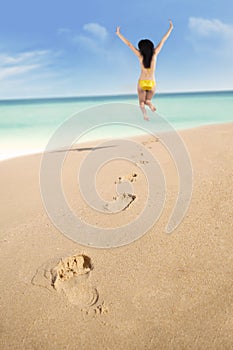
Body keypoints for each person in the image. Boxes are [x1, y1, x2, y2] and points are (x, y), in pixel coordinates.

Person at [116, 20, 173, 120]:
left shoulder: (140, 56)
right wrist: (170, 28)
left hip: (142, 82)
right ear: (151, 47)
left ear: (141, 49)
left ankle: (145, 114)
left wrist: (119, 34)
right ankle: (150, 104)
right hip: (151, 83)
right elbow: (163, 40)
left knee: (141, 102)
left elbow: (129, 44)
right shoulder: (155, 54)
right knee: (148, 100)